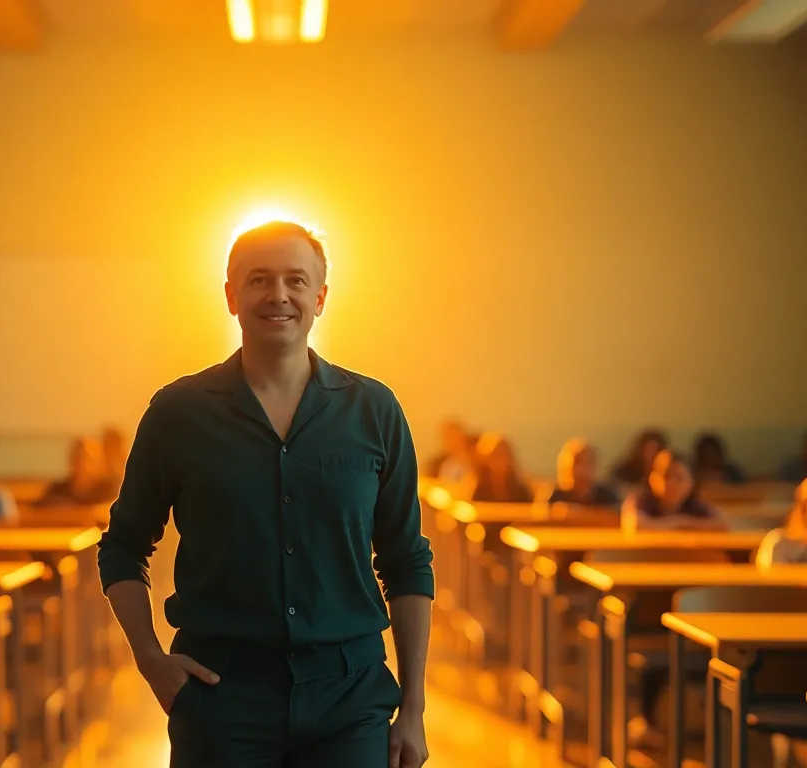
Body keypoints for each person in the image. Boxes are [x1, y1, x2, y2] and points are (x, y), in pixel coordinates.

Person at [97, 220, 433, 768]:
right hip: (220, 696)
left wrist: (414, 709)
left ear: (320, 297)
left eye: (296, 281)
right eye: (259, 280)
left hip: (350, 699)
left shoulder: (375, 411)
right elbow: (123, 547)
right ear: (231, 296)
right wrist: (151, 659)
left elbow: (407, 560)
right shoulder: (178, 413)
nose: (279, 295)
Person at [621, 450, 727, 532]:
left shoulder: (695, 504)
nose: (672, 484)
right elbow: (635, 525)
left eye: (679, 478)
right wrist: (679, 523)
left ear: (691, 483)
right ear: (652, 479)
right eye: (666, 476)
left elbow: (722, 524)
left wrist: (685, 522)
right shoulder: (640, 500)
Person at [38, 437, 118, 506]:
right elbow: (37, 509)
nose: (80, 463)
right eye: (76, 457)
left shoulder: (109, 490)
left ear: (98, 462)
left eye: (85, 458)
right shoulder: (57, 490)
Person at [546, 439, 620, 506]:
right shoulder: (556, 497)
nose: (582, 470)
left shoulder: (607, 497)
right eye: (577, 464)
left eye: (588, 463)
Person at [470, 433, 533, 503]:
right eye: (497, 455)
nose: (501, 460)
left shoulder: (521, 491)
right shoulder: (479, 489)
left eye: (504, 454)